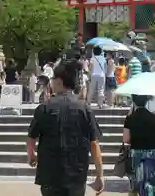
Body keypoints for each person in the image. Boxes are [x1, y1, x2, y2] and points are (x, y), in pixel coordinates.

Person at [27, 60, 104, 196]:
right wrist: (100, 174)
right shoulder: (85, 109)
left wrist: (31, 155)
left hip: (49, 173)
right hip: (77, 173)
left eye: (52, 80)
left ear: (59, 82)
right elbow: (94, 143)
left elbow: (32, 136)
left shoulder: (44, 107)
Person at [123, 94, 155, 196]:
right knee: (152, 182)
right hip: (151, 153)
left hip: (136, 153)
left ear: (134, 102)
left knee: (136, 183)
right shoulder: (154, 117)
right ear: (146, 101)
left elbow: (125, 139)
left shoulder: (129, 119)